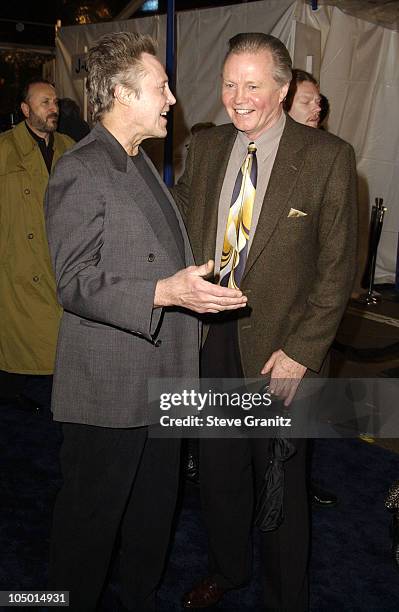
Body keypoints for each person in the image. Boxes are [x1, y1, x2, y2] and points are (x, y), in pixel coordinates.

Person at [44, 31, 246, 612]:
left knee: (151, 524)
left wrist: (195, 291)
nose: (173, 99)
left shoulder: (137, 165)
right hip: (110, 391)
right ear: (121, 94)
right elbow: (75, 282)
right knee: (86, 532)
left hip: (162, 382)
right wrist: (164, 290)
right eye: (161, 87)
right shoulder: (83, 170)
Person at [173, 33, 358, 611]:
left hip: (283, 350)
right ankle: (227, 571)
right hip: (210, 338)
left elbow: (337, 268)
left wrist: (303, 351)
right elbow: (176, 220)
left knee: (281, 481)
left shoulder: (328, 157)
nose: (237, 97)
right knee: (222, 473)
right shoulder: (205, 149)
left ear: (283, 89)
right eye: (229, 83)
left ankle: (285, 597)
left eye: (252, 85)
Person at [0, 78, 74, 409]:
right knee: (18, 356)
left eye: (55, 102)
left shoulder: (70, 149)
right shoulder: (3, 150)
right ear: (26, 109)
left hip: (57, 264)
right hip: (16, 269)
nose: (53, 108)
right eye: (44, 103)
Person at [284, 68, 338, 509]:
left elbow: (334, 264)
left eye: (319, 101)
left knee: (300, 430)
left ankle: (297, 484)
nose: (317, 107)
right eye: (308, 100)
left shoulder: (331, 160)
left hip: (307, 326)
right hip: (262, 326)